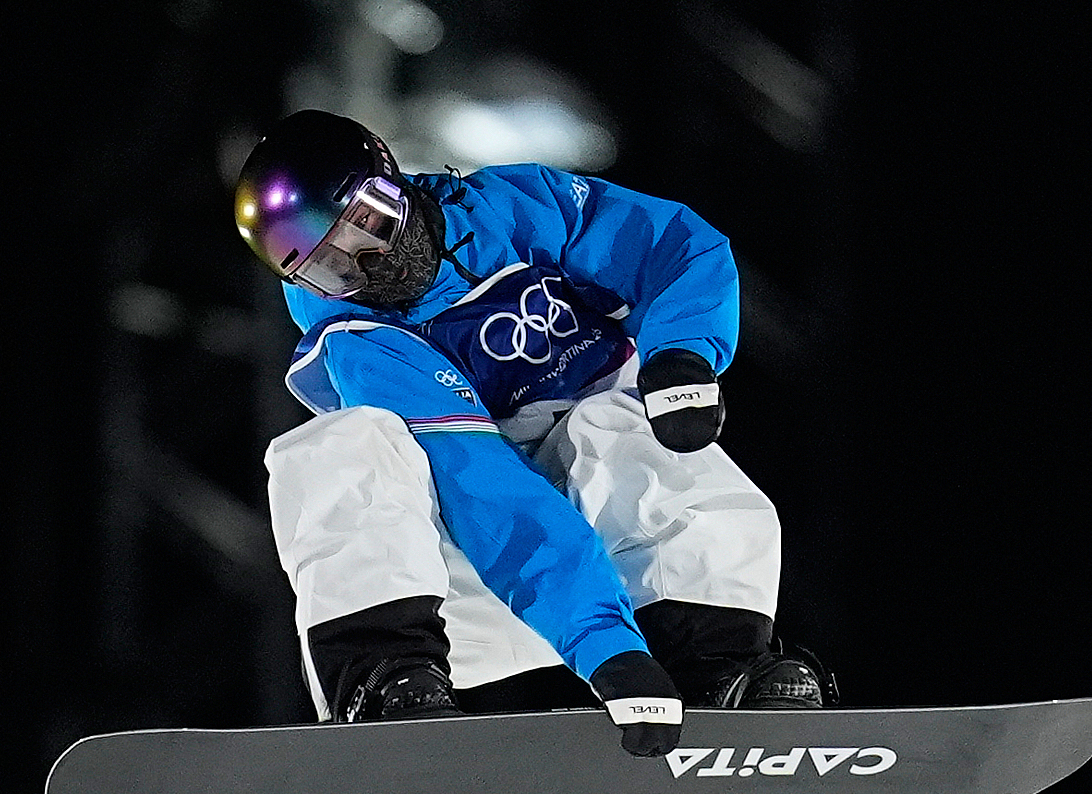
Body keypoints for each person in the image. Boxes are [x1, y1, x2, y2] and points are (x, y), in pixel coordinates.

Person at [232, 109, 827, 757]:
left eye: (369, 224)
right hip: (474, 587)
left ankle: (718, 663)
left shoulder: (514, 209)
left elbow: (670, 244)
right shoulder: (363, 342)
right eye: (333, 270)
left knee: (611, 422)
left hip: (636, 569)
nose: (370, 267)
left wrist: (682, 353)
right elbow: (488, 490)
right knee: (338, 448)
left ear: (393, 179)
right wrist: (606, 647)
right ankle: (384, 681)